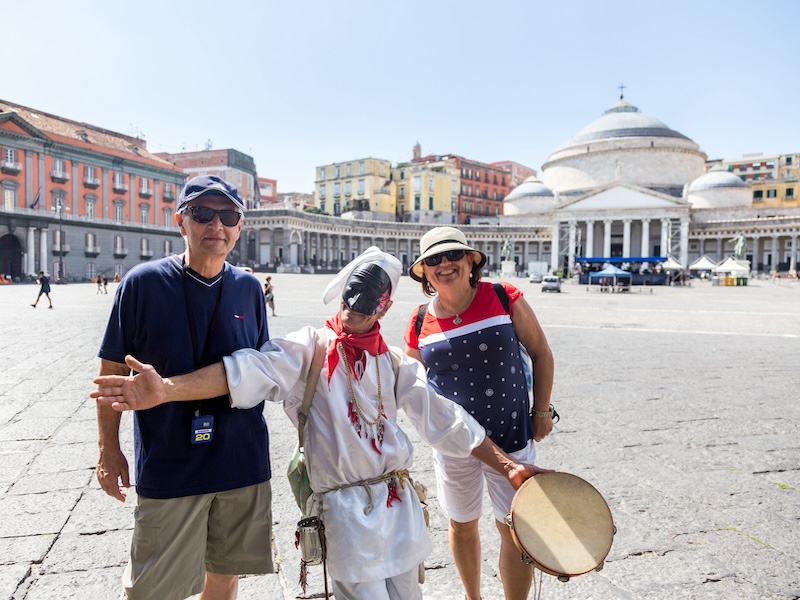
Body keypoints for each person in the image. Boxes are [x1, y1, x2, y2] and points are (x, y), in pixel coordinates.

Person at [92, 247, 549, 600]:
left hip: (400, 512)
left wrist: (506, 464)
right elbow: (243, 370)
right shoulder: (307, 350)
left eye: (374, 295)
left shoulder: (392, 364)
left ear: (385, 306)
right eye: (357, 289)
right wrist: (169, 389)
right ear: (343, 289)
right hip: (347, 518)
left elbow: (448, 421)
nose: (361, 302)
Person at [93, 174, 273, 600]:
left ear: (240, 226)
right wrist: (108, 448)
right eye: (203, 213)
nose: (217, 225)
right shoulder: (142, 283)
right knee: (151, 589)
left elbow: (265, 367)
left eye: (229, 215)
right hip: (170, 462)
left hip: (240, 461)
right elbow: (109, 374)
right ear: (181, 221)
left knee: (225, 576)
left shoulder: (248, 288)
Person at [404, 226, 556, 600]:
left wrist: (541, 411)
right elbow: (413, 387)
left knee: (515, 528)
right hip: (455, 444)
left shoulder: (504, 297)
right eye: (434, 260)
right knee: (462, 524)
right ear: (424, 271)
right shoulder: (419, 319)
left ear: (472, 260)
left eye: (453, 255)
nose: (445, 264)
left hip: (511, 434)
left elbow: (541, 353)